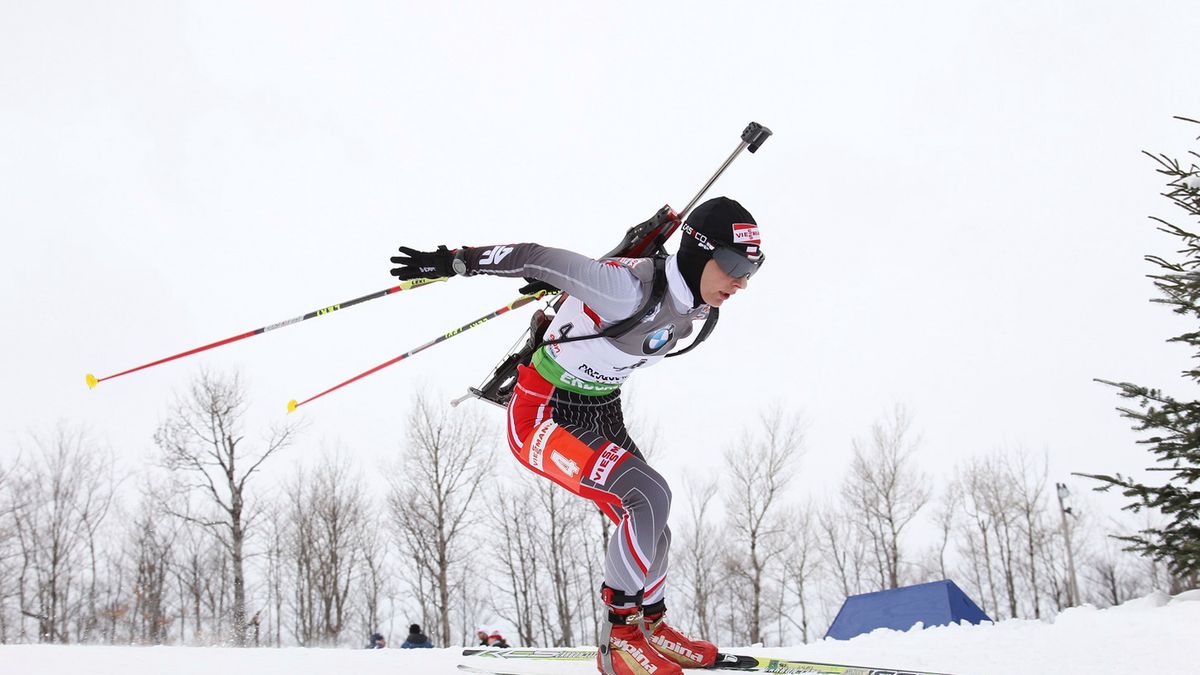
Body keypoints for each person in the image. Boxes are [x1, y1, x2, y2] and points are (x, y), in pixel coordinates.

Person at [390, 197, 765, 675]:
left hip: (601, 411)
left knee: (655, 522)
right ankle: (620, 642)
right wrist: (453, 261)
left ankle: (652, 626)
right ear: (697, 250)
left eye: (752, 268)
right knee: (648, 496)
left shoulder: (701, 305)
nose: (742, 281)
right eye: (734, 264)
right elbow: (536, 256)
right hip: (544, 414)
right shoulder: (625, 290)